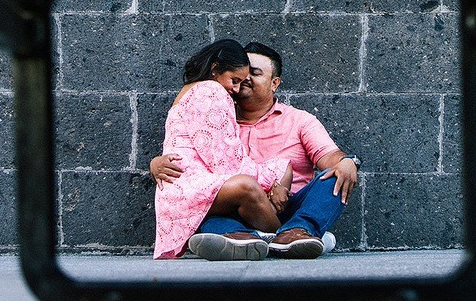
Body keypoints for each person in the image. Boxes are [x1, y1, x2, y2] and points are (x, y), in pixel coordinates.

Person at [150, 39, 359, 260]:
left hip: (289, 209)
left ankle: (297, 231)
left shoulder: (299, 120)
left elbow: (329, 156)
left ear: (274, 83)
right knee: (210, 211)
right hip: (236, 211)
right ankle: (269, 238)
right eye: (241, 76)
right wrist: (157, 163)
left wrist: (346, 161)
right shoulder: (217, 114)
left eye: (255, 73)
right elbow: (191, 148)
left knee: (332, 178)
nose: (245, 81)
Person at [152, 38, 294, 261]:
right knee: (249, 186)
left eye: (241, 82)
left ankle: (257, 235)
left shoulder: (191, 90)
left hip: (185, 185)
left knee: (279, 168)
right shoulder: (210, 90)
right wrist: (267, 183)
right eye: (234, 80)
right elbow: (224, 159)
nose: (236, 89)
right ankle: (285, 238)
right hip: (189, 185)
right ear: (215, 69)